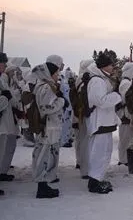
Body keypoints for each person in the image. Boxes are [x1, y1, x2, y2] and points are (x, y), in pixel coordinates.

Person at [85, 52, 121, 194]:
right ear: (105, 66)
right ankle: (94, 182)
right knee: (99, 153)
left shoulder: (101, 79)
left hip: (104, 123)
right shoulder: (97, 81)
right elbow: (100, 101)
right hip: (100, 122)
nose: (113, 67)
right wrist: (117, 96)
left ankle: (98, 178)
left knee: (104, 152)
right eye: (112, 64)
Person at [31, 62, 67, 198]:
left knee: (44, 154)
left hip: (49, 126)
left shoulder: (46, 85)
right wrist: (61, 102)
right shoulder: (46, 87)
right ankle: (41, 186)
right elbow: (45, 108)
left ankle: (43, 183)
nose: (58, 75)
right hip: (47, 127)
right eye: (56, 73)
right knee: (43, 155)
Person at [0, 53, 21, 183]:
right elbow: (6, 98)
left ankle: (2, 172)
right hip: (2, 120)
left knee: (4, 150)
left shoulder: (3, 80)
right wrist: (4, 98)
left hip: (6, 121)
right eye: (3, 63)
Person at [117, 62, 133, 167]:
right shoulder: (126, 83)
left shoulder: (125, 82)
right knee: (125, 139)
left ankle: (124, 159)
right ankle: (123, 159)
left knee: (126, 138)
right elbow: (125, 99)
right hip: (125, 114)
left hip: (125, 114)